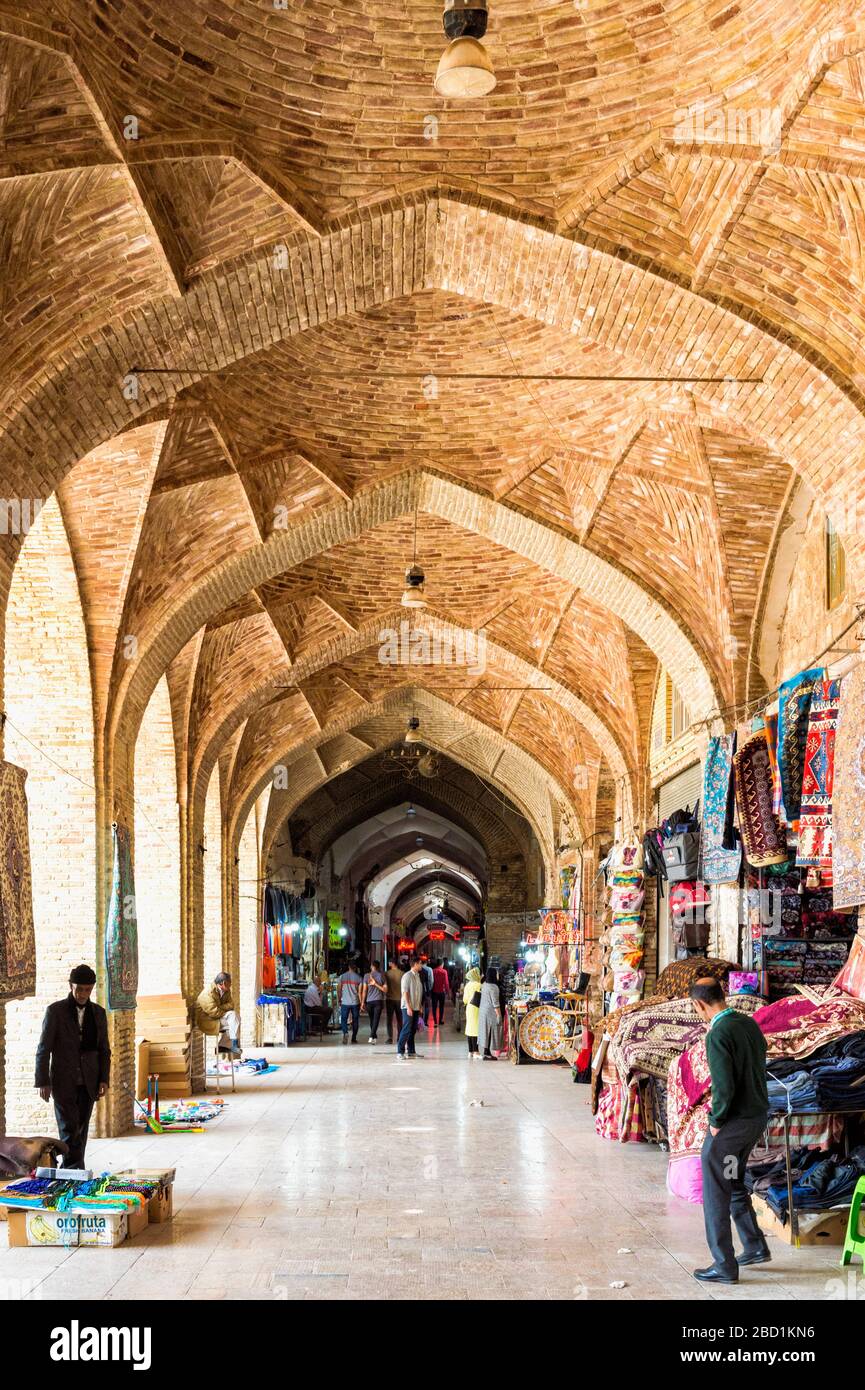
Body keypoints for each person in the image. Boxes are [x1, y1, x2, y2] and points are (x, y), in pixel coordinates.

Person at [689, 978, 771, 1283]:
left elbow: (723, 1087)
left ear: (699, 1004)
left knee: (715, 1190)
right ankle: (754, 1245)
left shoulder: (718, 1033)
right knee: (733, 1179)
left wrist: (715, 1121)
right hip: (755, 1120)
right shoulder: (748, 1024)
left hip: (732, 1126)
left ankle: (723, 1264)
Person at [34, 964, 111, 1169]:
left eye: (87, 990)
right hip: (62, 1081)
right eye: (79, 989)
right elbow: (44, 1048)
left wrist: (104, 1079)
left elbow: (104, 1049)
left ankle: (72, 1172)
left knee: (81, 1130)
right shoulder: (55, 1011)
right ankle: (73, 1172)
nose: (83, 994)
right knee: (68, 1129)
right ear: (70, 986)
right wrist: (43, 1081)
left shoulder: (98, 1013)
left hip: (89, 1081)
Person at [196, 971, 242, 1057]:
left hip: (218, 1017)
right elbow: (214, 1012)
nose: (231, 985)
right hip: (207, 1020)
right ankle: (226, 1045)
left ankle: (226, 1045)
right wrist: (223, 1008)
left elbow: (231, 1005)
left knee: (234, 1017)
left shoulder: (226, 991)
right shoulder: (208, 993)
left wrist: (219, 1006)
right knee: (233, 1021)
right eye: (229, 983)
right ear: (223, 983)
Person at [397, 958, 425, 1061]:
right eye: (420, 964)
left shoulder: (417, 976)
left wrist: (420, 1005)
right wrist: (408, 1007)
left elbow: (418, 992)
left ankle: (411, 1051)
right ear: (415, 964)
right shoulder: (407, 976)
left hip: (416, 1007)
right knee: (406, 1029)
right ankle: (400, 1051)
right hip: (408, 1007)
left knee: (413, 1030)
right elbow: (405, 992)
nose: (421, 965)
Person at [478, 966, 503, 1059]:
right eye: (496, 973)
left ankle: (486, 1051)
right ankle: (487, 1053)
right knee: (491, 1032)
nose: (497, 975)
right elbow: (495, 1003)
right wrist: (499, 1015)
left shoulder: (484, 984)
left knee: (485, 1031)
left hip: (483, 1011)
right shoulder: (494, 987)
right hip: (490, 1012)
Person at [337, 959, 363, 1044]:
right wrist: (362, 1002)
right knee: (355, 1020)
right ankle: (354, 1038)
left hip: (345, 1002)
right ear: (355, 968)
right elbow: (360, 992)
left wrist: (339, 999)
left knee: (344, 1019)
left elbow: (339, 990)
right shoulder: (359, 978)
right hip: (355, 1002)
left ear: (348, 967)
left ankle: (345, 1032)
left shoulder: (342, 977)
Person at [361, 960, 386, 1044]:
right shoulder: (382, 976)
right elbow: (385, 990)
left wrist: (362, 1002)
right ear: (378, 967)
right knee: (375, 1020)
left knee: (373, 1020)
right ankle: (374, 1037)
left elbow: (364, 990)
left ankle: (371, 1036)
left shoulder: (366, 976)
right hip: (378, 1000)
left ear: (371, 966)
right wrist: (377, 984)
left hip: (369, 1001)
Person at [463, 966, 482, 1059]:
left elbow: (465, 1000)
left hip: (469, 1008)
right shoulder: (478, 985)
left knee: (469, 1029)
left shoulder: (467, 985)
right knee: (475, 1030)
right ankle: (476, 1051)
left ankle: (470, 1051)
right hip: (476, 1008)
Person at [385, 957, 404, 1043]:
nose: (388, 964)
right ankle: (399, 1037)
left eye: (389, 962)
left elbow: (385, 986)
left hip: (390, 999)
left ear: (392, 963)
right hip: (400, 999)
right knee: (399, 1019)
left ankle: (390, 1038)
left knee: (389, 1019)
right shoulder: (402, 973)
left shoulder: (387, 974)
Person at [431, 959, 449, 1025]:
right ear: (442, 964)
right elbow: (446, 983)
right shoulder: (444, 972)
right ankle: (440, 1021)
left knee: (434, 1007)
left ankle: (435, 1021)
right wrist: (447, 992)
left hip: (434, 992)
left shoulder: (433, 971)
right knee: (441, 1007)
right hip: (441, 992)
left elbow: (431, 981)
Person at [419, 957, 434, 1026]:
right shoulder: (428, 970)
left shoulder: (418, 970)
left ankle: (420, 1021)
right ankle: (425, 1021)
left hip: (419, 992)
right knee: (427, 1007)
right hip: (426, 991)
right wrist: (429, 990)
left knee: (419, 1006)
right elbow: (431, 981)